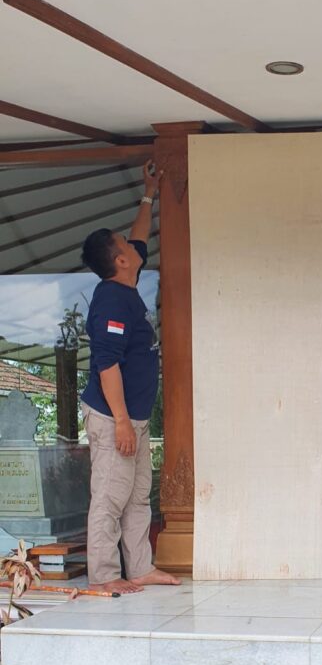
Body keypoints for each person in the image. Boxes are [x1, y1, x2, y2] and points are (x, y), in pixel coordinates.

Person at [80, 160, 180, 594]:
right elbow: (106, 364)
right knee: (109, 496)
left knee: (137, 496)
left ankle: (139, 567)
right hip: (113, 417)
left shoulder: (126, 282)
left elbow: (139, 235)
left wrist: (149, 193)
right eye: (126, 243)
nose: (134, 243)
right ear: (121, 261)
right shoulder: (112, 301)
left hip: (132, 417)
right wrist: (120, 421)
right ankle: (104, 576)